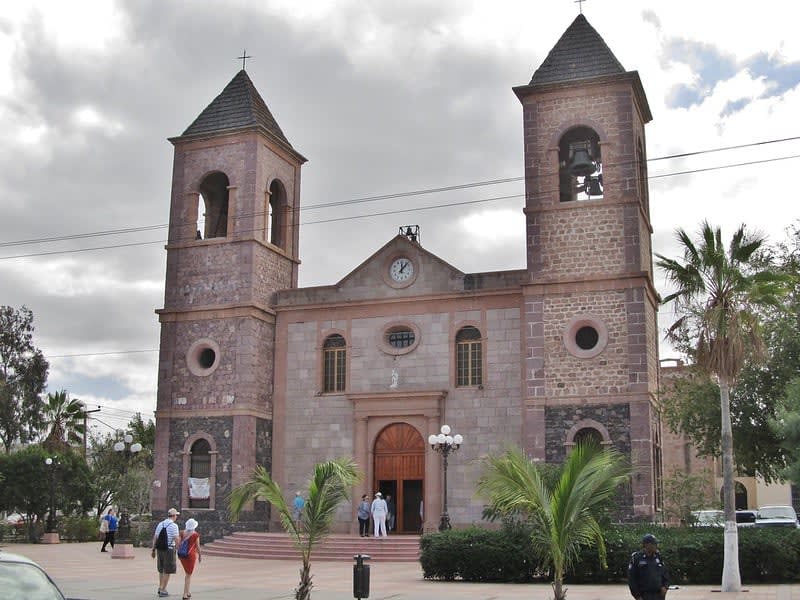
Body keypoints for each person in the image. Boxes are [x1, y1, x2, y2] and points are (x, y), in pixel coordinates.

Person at [628, 533, 670, 600]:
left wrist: (665, 586)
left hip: (659, 595)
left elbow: (665, 573)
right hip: (644, 595)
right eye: (654, 544)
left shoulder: (658, 557)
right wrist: (637, 596)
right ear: (647, 545)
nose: (656, 546)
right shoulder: (637, 558)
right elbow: (632, 579)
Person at [151, 507, 180, 598]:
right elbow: (176, 539)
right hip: (169, 549)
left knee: (161, 569)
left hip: (160, 549)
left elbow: (155, 537)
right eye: (176, 515)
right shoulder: (174, 526)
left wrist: (153, 549)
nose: (176, 517)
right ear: (174, 516)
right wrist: (179, 550)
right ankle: (163, 589)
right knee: (168, 570)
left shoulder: (160, 524)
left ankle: (160, 587)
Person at [178, 518, 201, 600]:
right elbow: (198, 547)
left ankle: (187, 591)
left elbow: (179, 544)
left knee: (187, 573)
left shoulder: (182, 533)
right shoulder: (195, 534)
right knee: (188, 575)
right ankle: (185, 594)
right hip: (190, 556)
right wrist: (200, 555)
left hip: (182, 555)